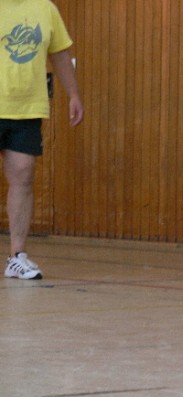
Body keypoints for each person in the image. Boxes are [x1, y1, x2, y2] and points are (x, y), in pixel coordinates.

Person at [0, 0, 84, 279]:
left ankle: (17, 256)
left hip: (26, 108)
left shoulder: (45, 8)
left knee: (23, 175)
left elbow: (59, 53)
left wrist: (73, 94)